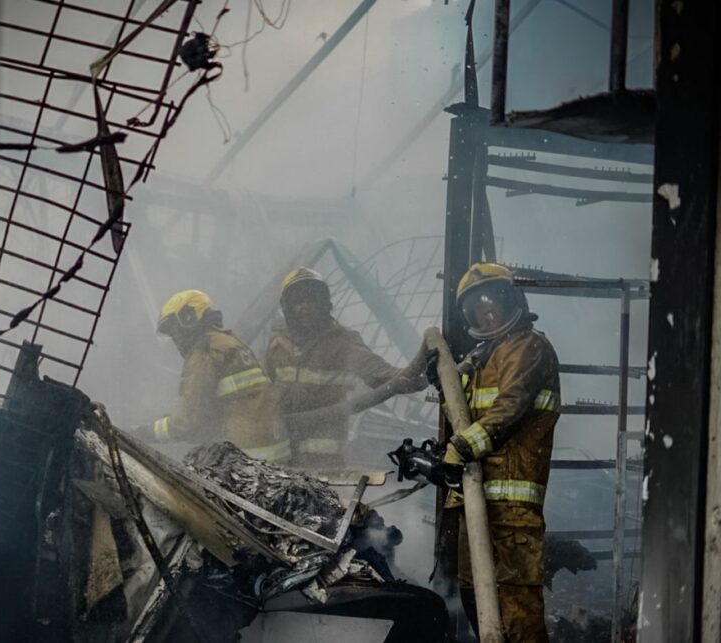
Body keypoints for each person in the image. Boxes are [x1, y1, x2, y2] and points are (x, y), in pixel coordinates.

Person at [437, 263, 561, 643]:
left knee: (515, 616)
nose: (485, 312)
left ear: (513, 302)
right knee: (476, 600)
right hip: (475, 509)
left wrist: (459, 449)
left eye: (492, 302)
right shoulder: (481, 359)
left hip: (510, 512)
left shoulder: (530, 347)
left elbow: (509, 408)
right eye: (475, 308)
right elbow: (460, 415)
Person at [264, 267, 423, 469]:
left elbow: (380, 373)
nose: (304, 307)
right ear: (287, 308)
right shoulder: (278, 344)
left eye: (310, 300)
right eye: (298, 302)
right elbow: (265, 393)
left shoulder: (342, 343)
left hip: (322, 462)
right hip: (280, 458)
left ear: (324, 303)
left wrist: (414, 375)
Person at [142, 289, 290, 462]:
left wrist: (145, 432)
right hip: (276, 453)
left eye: (174, 331)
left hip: (247, 458)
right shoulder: (231, 342)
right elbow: (217, 408)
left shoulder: (204, 352)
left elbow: (189, 420)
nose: (175, 339)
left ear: (189, 318)